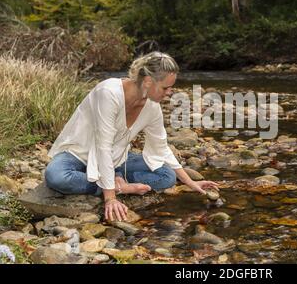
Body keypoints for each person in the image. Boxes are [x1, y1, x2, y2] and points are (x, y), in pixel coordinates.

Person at [44, 51, 219, 222]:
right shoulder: (108, 93)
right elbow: (102, 146)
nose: (170, 93)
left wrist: (190, 183)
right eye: (166, 87)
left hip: (116, 160)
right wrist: (111, 197)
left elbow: (161, 147)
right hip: (78, 154)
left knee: (167, 176)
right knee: (56, 176)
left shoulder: (152, 106)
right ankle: (119, 185)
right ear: (149, 81)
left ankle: (112, 178)